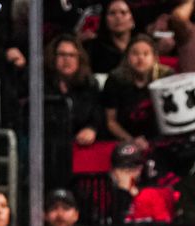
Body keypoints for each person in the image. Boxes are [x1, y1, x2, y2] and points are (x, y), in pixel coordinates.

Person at [43, 33, 105, 190]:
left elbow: (98, 114)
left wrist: (92, 128)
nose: (67, 60)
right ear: (53, 58)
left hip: (78, 152)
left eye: (71, 55)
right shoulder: (42, 84)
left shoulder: (89, 85)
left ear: (79, 59)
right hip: (48, 151)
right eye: (62, 55)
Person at [102, 34, 171, 146]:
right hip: (124, 141)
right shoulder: (115, 80)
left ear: (154, 58)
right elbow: (111, 122)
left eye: (146, 54)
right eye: (135, 53)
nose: (140, 58)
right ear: (127, 57)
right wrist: (131, 141)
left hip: (159, 140)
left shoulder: (166, 77)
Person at [85, 0, 136, 75]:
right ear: (105, 20)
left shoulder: (142, 45)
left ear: (132, 20)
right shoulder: (93, 49)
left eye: (123, 12)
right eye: (112, 13)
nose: (118, 17)